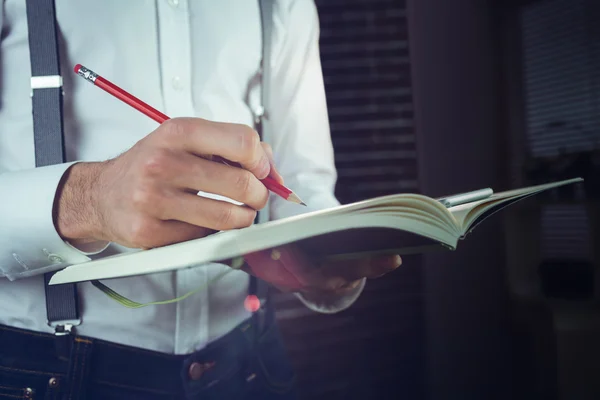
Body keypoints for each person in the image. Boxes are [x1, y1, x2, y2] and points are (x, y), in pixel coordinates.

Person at [0, 1, 402, 399]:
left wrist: (323, 257)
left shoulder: (286, 5)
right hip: (54, 372)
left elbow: (303, 185)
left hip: (253, 363)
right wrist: (87, 200)